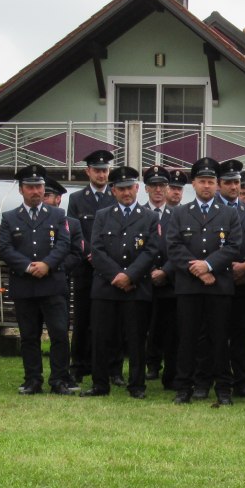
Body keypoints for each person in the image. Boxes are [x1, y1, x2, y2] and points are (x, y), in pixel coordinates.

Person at [163, 157, 241, 405]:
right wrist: (198, 270)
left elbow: (233, 246)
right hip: (189, 286)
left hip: (219, 287)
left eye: (210, 182)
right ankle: (184, 388)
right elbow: (173, 247)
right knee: (187, 338)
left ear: (217, 185)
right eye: (202, 181)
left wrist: (208, 265)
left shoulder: (229, 214)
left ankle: (223, 390)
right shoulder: (179, 213)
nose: (206, 186)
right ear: (193, 184)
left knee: (219, 339)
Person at [79, 165, 160, 399]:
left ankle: (137, 385)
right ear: (113, 191)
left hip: (136, 287)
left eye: (130, 188)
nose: (126, 193)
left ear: (137, 188)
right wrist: (117, 276)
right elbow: (97, 248)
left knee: (136, 339)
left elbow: (151, 250)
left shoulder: (150, 217)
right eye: (121, 189)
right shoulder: (103, 216)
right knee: (102, 337)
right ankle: (99, 384)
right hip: (106, 286)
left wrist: (130, 276)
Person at [0, 164, 76, 395]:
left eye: (39, 187)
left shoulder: (58, 214)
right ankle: (32, 379)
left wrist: (47, 264)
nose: (36, 191)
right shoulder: (10, 217)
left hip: (52, 284)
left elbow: (64, 244)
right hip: (25, 284)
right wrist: (28, 266)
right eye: (30, 187)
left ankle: (59, 379)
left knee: (59, 333)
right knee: (29, 336)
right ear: (21, 190)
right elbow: (5, 248)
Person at [212, 160, 245, 399]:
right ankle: (216, 379)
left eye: (237, 182)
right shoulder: (210, 209)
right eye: (229, 182)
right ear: (219, 184)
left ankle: (243, 382)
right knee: (215, 332)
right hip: (216, 281)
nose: (234, 187)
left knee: (241, 333)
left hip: (243, 281)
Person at [66, 149, 116, 382]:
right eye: (97, 170)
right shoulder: (76, 199)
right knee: (83, 318)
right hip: (85, 268)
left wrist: (104, 259)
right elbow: (74, 232)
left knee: (111, 320)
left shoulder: (116, 195)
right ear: (88, 171)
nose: (101, 174)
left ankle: (112, 369)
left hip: (110, 268)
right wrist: (91, 254)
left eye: (105, 170)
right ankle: (78, 366)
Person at [142, 165, 180, 387]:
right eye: (153, 186)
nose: (158, 190)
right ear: (146, 189)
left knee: (169, 328)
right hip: (143, 280)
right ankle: (150, 364)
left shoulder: (178, 214)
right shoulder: (138, 212)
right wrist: (147, 271)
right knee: (144, 326)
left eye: (162, 186)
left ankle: (169, 369)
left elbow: (181, 247)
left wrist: (165, 270)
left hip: (169, 281)